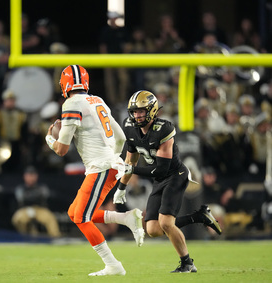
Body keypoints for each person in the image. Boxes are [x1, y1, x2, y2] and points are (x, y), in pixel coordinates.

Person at [45, 65, 145, 276]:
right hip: (106, 165)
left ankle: (113, 265)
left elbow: (62, 150)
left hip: (101, 167)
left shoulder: (71, 103)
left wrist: (49, 139)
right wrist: (112, 158)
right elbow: (120, 138)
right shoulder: (97, 100)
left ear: (65, 84)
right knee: (74, 213)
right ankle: (126, 218)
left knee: (81, 217)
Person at [113, 90, 222, 273]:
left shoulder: (164, 129)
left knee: (165, 223)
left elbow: (161, 168)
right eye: (134, 111)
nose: (137, 115)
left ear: (152, 110)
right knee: (153, 229)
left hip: (175, 175)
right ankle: (200, 216)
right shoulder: (130, 128)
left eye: (141, 111)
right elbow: (130, 161)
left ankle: (187, 263)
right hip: (158, 179)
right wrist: (121, 188)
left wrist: (132, 170)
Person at [11, 165, 61, 238]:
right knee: (17, 219)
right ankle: (24, 237)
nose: (31, 178)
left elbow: (45, 195)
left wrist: (31, 197)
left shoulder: (41, 187)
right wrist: (35, 196)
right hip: (25, 209)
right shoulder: (20, 188)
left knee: (50, 218)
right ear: (24, 176)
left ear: (36, 176)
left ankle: (56, 238)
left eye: (32, 175)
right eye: (28, 175)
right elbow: (22, 198)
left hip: (39, 209)